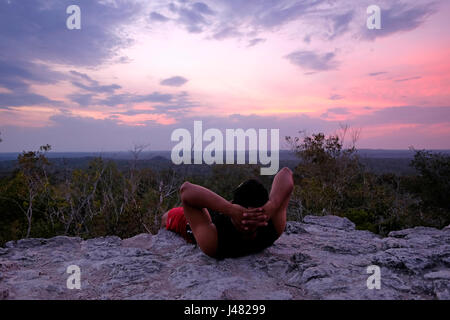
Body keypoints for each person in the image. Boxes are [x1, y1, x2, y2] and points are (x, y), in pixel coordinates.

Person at [161, 167, 294, 260]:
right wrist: (230, 209)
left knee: (172, 216)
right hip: (214, 217)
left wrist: (273, 204)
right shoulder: (217, 239)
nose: (249, 226)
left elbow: (286, 172)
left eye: (256, 220)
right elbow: (186, 190)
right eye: (244, 219)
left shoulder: (214, 242)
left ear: (266, 214)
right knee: (165, 218)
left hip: (210, 217)